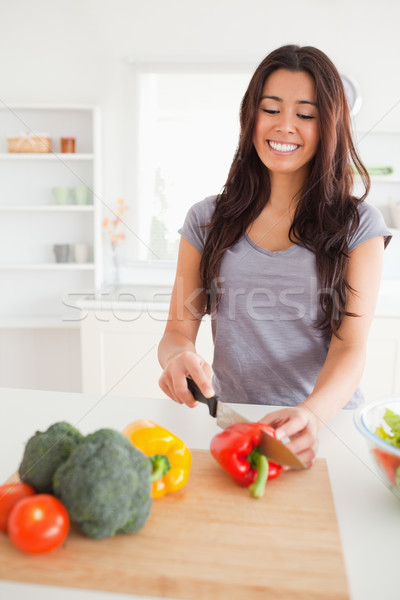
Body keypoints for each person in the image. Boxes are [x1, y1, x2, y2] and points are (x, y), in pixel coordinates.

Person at [157, 45, 391, 467]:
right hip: (235, 425)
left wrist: (312, 415)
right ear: (251, 117)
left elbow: (350, 347)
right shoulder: (205, 219)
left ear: (329, 126)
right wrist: (178, 358)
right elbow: (177, 331)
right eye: (271, 109)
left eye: (305, 115)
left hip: (326, 426)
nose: (285, 127)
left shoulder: (359, 225)